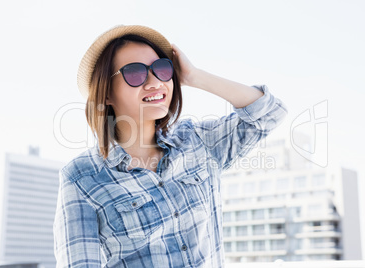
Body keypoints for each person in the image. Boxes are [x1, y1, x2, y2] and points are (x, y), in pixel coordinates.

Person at [53, 25, 288, 267]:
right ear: (106, 94)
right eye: (135, 73)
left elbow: (270, 112)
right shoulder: (81, 177)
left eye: (162, 69)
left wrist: (194, 76)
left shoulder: (197, 142)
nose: (155, 82)